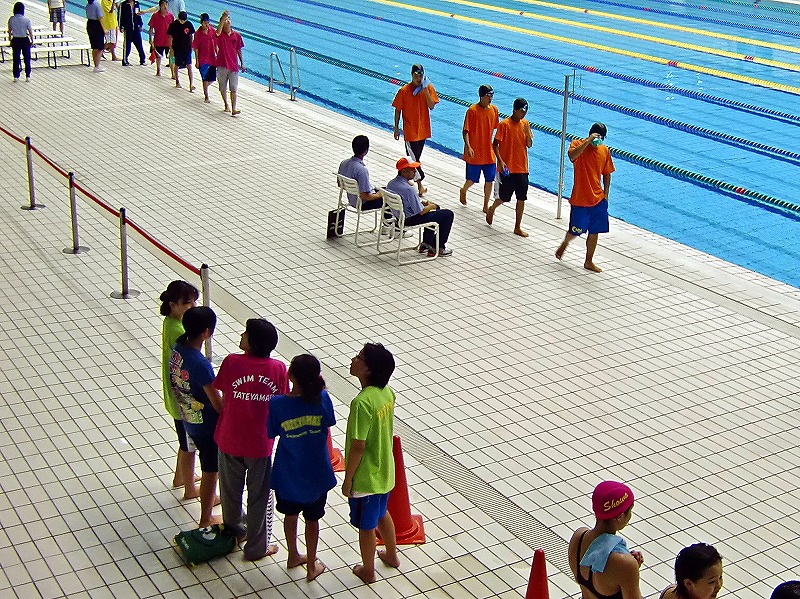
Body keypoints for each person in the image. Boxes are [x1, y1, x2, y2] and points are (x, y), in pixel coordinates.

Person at [212, 319, 288, 561]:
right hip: (259, 444)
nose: (241, 335)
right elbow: (281, 401)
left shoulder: (232, 362)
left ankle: (236, 531)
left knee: (229, 491)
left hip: (229, 438)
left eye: (245, 333)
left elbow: (224, 393)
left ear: (252, 342)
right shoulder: (277, 369)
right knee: (259, 496)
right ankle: (257, 548)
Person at [267, 354, 336, 582]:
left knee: (290, 514)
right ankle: (311, 565)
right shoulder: (323, 399)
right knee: (313, 519)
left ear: (290, 375)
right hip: (316, 472)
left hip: (288, 473)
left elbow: (272, 432)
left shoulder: (277, 404)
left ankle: (293, 554)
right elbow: (329, 423)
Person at [342, 343, 399, 585]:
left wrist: (348, 479)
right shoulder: (387, 393)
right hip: (385, 470)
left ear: (368, 370)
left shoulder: (361, 403)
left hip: (367, 476)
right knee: (382, 513)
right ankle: (392, 555)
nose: (353, 359)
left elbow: (358, 446)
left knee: (366, 526)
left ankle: (368, 570)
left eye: (359, 357)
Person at [169, 306, 222, 528]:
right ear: (207, 333)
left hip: (187, 417)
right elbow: (216, 403)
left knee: (189, 448)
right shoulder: (201, 364)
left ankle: (186, 485)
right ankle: (205, 516)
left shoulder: (177, 348)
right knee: (211, 469)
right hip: (206, 425)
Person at [568, 480, 644, 599]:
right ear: (619, 517)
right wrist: (630, 569)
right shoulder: (625, 564)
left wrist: (628, 569)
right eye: (630, 511)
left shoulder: (578, 537)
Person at [555, 122, 615, 272]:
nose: (598, 141)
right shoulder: (577, 144)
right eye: (597, 137)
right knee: (576, 230)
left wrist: (606, 194)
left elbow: (607, 173)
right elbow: (571, 156)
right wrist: (588, 141)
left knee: (595, 231)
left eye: (601, 138)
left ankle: (588, 261)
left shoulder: (604, 150)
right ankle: (565, 243)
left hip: (598, 199)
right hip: (580, 199)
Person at [159, 281, 200, 500]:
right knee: (188, 445)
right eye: (187, 303)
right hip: (181, 397)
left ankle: (180, 477)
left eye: (194, 301)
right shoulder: (177, 331)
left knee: (185, 441)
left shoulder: (171, 321)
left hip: (175, 393)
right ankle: (190, 490)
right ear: (173, 305)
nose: (192, 306)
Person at [387, 156, 454, 257]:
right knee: (447, 214)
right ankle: (438, 247)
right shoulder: (409, 189)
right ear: (404, 171)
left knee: (434, 213)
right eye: (412, 169)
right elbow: (421, 212)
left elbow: (406, 201)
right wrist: (432, 205)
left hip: (400, 216)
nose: (415, 171)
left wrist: (424, 203)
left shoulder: (391, 184)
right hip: (410, 219)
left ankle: (427, 243)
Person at [486, 97, 534, 237]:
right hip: (508, 168)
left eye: (526, 111)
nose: (524, 114)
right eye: (522, 111)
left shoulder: (525, 124)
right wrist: (500, 161)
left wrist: (526, 132)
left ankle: (517, 227)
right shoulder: (504, 125)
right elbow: (495, 144)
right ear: (515, 110)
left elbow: (529, 145)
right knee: (504, 197)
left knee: (521, 198)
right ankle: (492, 208)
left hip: (522, 168)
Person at [392, 64, 439, 197]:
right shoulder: (404, 90)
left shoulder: (428, 87)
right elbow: (398, 110)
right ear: (411, 75)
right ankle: (419, 184)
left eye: (420, 75)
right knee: (412, 160)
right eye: (416, 76)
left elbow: (431, 106)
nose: (418, 78)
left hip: (423, 131)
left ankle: (410, 182)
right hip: (411, 132)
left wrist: (425, 91)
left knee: (415, 159)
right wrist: (396, 128)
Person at [459, 84, 499, 213]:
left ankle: (485, 205)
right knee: (472, 179)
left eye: (492, 96)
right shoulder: (472, 111)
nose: (491, 98)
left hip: (489, 152)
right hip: (475, 152)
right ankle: (463, 190)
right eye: (489, 96)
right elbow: (465, 131)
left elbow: (495, 130)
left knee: (490, 180)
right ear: (482, 96)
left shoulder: (494, 110)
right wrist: (468, 146)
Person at [338, 135, 383, 211]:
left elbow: (340, 184)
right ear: (366, 151)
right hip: (362, 203)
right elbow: (364, 196)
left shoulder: (343, 163)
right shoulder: (362, 170)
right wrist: (378, 195)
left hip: (352, 200)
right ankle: (389, 222)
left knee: (388, 190)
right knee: (391, 198)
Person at [215, 10, 244, 115]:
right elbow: (217, 32)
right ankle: (226, 104)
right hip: (222, 64)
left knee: (233, 88)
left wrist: (242, 63)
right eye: (225, 21)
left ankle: (233, 108)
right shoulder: (220, 35)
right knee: (223, 87)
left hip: (233, 66)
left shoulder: (237, 35)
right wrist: (223, 17)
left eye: (228, 20)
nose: (227, 21)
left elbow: (239, 50)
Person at [167, 10, 194, 91]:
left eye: (184, 20)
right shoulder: (173, 25)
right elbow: (170, 37)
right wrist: (171, 48)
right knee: (177, 65)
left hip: (187, 49)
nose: (182, 22)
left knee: (189, 66)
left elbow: (191, 35)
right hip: (177, 48)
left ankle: (191, 84)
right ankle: (177, 81)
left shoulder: (188, 24)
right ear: (178, 18)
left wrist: (191, 46)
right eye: (181, 20)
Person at [192, 13, 216, 103]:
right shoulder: (198, 33)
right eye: (205, 23)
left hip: (212, 58)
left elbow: (218, 38)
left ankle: (206, 87)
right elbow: (196, 48)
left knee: (212, 78)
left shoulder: (212, 30)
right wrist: (197, 61)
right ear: (201, 23)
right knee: (205, 78)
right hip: (203, 59)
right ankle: (206, 96)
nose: (207, 24)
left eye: (208, 22)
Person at [7, 2, 33, 83]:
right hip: (25, 39)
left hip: (15, 39)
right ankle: (28, 75)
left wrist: (10, 40)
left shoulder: (11, 19)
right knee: (27, 58)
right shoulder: (26, 20)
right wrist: (32, 41)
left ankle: (16, 76)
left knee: (16, 58)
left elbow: (9, 31)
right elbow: (30, 31)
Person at [147, 0, 173, 77]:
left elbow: (174, 29)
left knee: (171, 56)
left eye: (166, 5)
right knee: (158, 56)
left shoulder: (170, 16)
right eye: (164, 5)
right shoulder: (155, 16)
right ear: (160, 6)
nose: (165, 7)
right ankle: (158, 70)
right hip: (158, 40)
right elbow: (150, 29)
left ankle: (173, 73)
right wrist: (150, 40)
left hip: (168, 40)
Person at [119, 0, 145, 66]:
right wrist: (121, 27)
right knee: (127, 45)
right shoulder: (123, 4)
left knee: (139, 45)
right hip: (128, 28)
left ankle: (142, 60)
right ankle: (125, 60)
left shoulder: (136, 4)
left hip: (136, 28)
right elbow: (120, 16)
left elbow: (138, 15)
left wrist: (140, 25)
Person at [85, 0, 107, 72]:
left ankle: (96, 64)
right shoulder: (97, 4)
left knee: (94, 47)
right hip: (96, 25)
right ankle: (97, 66)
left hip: (89, 24)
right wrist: (104, 29)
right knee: (100, 47)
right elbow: (100, 18)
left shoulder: (88, 4)